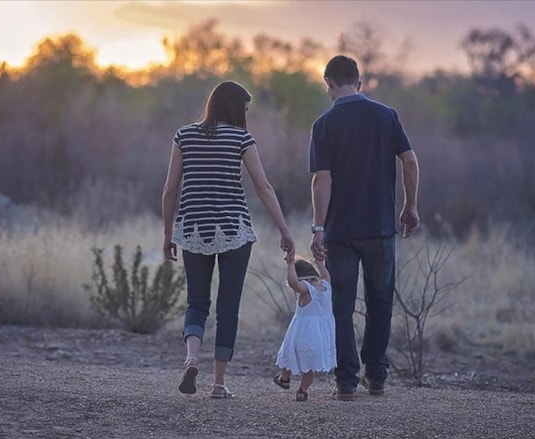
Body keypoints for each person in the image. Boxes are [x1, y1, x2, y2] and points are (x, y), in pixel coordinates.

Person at [162, 80, 295, 399]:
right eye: (245, 109)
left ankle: (192, 358)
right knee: (228, 307)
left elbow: (170, 189)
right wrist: (284, 230)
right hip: (234, 230)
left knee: (196, 303)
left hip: (193, 229)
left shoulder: (184, 135)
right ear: (236, 108)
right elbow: (263, 187)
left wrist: (168, 234)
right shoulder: (241, 138)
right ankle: (218, 383)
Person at [308, 55, 420, 401]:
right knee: (380, 302)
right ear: (359, 83)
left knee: (341, 307)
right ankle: (376, 376)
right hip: (380, 227)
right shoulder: (386, 116)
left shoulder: (323, 124)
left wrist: (318, 227)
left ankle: (346, 382)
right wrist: (410, 206)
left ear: (328, 84)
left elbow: (322, 181)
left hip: (340, 232)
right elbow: (410, 160)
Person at [273, 255, 336, 402]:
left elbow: (293, 283)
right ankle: (302, 391)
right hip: (320, 336)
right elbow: (326, 275)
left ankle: (285, 379)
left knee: (289, 355)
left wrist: (290, 264)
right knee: (310, 366)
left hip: (302, 333)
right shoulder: (326, 286)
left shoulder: (306, 290)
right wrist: (320, 263)